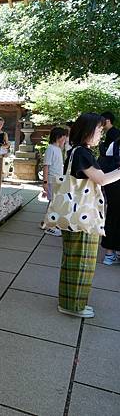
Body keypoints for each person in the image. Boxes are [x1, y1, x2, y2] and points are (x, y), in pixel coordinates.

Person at [58, 113, 120, 318]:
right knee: (82, 261)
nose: (101, 134)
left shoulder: (77, 151)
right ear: (88, 130)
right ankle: (73, 305)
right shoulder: (82, 153)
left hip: (77, 215)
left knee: (75, 259)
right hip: (83, 216)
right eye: (99, 130)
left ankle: (69, 301)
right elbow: (100, 179)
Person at [42, 127, 68, 237]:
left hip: (58, 180)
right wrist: (45, 182)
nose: (65, 139)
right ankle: (49, 226)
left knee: (54, 203)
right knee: (53, 203)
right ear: (58, 137)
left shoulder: (58, 149)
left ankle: (49, 224)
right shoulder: (50, 149)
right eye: (64, 137)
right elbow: (46, 166)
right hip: (52, 180)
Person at [100, 137, 120, 265]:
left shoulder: (115, 143)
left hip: (113, 184)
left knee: (112, 216)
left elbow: (105, 162)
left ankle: (109, 254)